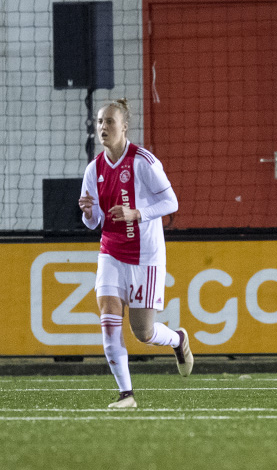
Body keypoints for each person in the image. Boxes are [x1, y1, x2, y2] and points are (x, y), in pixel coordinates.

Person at [79, 98, 193, 408]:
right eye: (100, 122)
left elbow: (171, 203)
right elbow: (94, 222)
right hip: (110, 253)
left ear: (124, 127)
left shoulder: (143, 161)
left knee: (143, 332)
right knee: (108, 322)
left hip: (145, 256)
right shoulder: (93, 169)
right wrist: (88, 214)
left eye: (109, 121)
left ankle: (178, 339)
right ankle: (126, 395)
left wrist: (137, 213)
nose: (103, 127)